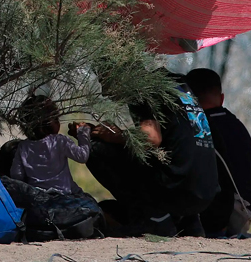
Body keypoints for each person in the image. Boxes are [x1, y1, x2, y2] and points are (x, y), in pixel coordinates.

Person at [86, 72, 219, 237]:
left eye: (104, 81)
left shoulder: (141, 87)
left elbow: (150, 138)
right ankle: (187, 222)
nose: (104, 92)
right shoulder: (178, 82)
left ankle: (151, 219)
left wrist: (111, 135)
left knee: (95, 149)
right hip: (205, 192)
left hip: (178, 190)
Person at [186, 68, 251, 236]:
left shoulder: (198, 127)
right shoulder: (236, 125)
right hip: (244, 209)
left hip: (222, 214)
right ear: (222, 98)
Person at [10, 94, 91, 194]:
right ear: (46, 124)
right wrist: (83, 133)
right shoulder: (59, 141)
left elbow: (16, 175)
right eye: (56, 119)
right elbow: (82, 156)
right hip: (64, 197)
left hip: (39, 200)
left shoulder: (23, 147)